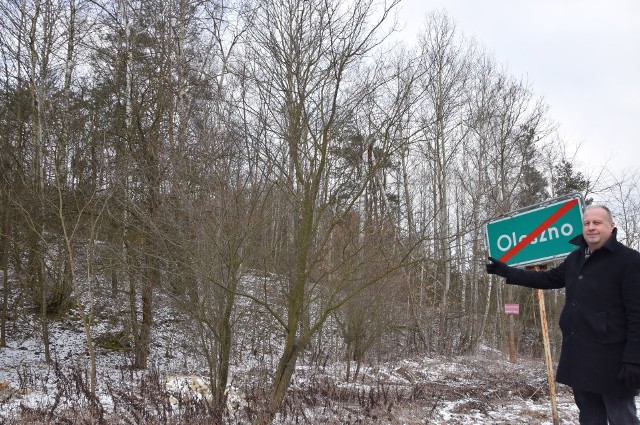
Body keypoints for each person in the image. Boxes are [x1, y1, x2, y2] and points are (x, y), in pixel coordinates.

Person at [486, 205, 640, 425]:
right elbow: (547, 279)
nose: (591, 228)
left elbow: (637, 315)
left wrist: (634, 359)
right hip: (580, 354)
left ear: (611, 226)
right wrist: (507, 271)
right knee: (589, 417)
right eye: (587, 223)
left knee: (622, 418)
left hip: (613, 360)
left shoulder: (629, 260)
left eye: (597, 223)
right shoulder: (576, 257)